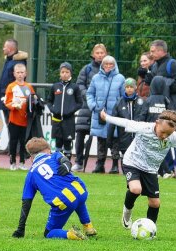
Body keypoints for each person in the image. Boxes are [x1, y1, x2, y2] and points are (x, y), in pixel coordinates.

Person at [99, 109, 176, 228]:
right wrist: (106, 117)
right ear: (157, 123)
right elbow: (125, 122)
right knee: (136, 189)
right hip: (132, 162)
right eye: (163, 132)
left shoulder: (173, 137)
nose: (164, 136)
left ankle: (150, 229)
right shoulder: (144, 127)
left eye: (168, 133)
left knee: (155, 203)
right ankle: (127, 213)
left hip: (150, 169)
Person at [11, 137, 97, 240]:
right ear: (47, 150)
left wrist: (21, 229)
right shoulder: (55, 155)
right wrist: (66, 165)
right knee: (77, 198)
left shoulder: (31, 174)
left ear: (31, 158)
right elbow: (65, 161)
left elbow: (26, 202)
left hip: (63, 200)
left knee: (49, 233)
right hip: (80, 189)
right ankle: (88, 227)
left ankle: (71, 234)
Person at [149, 39, 176, 178]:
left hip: (173, 106)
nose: (151, 53)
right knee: (162, 136)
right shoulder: (155, 66)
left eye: (153, 51)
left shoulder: (173, 64)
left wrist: (166, 87)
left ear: (161, 51)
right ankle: (169, 169)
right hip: (160, 106)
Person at [86, 55, 125, 174]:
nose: (108, 66)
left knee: (115, 140)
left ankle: (114, 165)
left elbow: (123, 97)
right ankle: (100, 164)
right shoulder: (95, 78)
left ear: (114, 65)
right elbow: (89, 94)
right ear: (102, 65)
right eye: (106, 64)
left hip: (114, 115)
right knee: (101, 140)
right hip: (99, 114)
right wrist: (94, 107)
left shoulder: (120, 78)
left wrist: (118, 111)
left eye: (111, 64)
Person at [72, 43, 108, 172]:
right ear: (93, 54)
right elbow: (79, 84)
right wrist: (88, 97)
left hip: (103, 108)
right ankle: (79, 162)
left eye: (102, 53)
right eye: (97, 53)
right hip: (87, 107)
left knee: (102, 136)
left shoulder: (110, 68)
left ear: (106, 54)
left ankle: (100, 164)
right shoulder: (86, 69)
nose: (99, 55)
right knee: (80, 133)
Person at [46, 62, 82, 160]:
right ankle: (57, 164)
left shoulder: (74, 87)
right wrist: (53, 110)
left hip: (69, 121)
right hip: (57, 120)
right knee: (58, 142)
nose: (64, 74)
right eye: (62, 72)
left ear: (70, 73)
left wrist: (70, 111)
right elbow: (49, 101)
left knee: (67, 143)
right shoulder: (55, 86)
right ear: (60, 74)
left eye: (67, 72)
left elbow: (80, 103)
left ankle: (67, 165)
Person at [137, 76, 171, 178]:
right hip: (163, 131)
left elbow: (143, 114)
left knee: (151, 152)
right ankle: (164, 172)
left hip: (151, 130)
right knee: (159, 151)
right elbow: (170, 114)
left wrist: (140, 125)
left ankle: (164, 172)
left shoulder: (148, 100)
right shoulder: (166, 100)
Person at [4, 63, 35, 171]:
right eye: (18, 72)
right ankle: (12, 162)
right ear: (14, 74)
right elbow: (7, 102)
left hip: (25, 120)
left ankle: (22, 162)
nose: (20, 74)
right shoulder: (11, 86)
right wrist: (14, 106)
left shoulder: (29, 87)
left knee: (23, 142)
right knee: (13, 141)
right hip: (14, 119)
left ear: (25, 73)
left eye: (22, 72)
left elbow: (32, 101)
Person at [107, 77, 144, 167]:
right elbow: (113, 121)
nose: (129, 89)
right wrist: (109, 139)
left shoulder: (141, 101)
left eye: (131, 87)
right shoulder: (119, 102)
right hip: (124, 137)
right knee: (126, 160)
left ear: (135, 88)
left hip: (139, 137)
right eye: (127, 87)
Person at [0, 39, 28, 122]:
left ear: (10, 49)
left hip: (10, 99)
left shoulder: (17, 63)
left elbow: (19, 82)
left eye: (4, 47)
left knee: (10, 124)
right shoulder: (9, 61)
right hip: (4, 98)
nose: (3, 49)